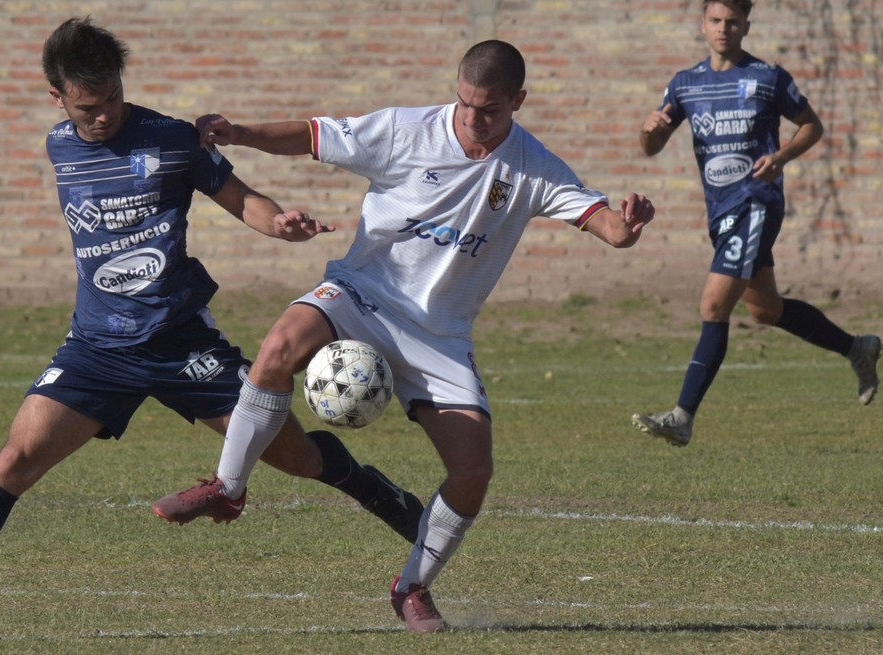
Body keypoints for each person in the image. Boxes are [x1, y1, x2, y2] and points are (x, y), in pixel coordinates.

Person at [0, 16, 424, 637]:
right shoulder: (59, 147)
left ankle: (381, 494)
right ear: (57, 99)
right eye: (88, 106)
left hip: (182, 342)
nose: (104, 114)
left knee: (295, 456)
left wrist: (280, 223)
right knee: (15, 460)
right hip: (96, 348)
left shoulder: (172, 139)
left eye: (113, 98)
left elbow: (240, 197)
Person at [152, 40, 656, 633]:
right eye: (465, 103)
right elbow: (314, 136)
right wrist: (239, 133)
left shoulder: (532, 167)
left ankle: (412, 587)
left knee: (474, 471)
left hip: (439, 336)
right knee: (278, 348)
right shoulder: (406, 130)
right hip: (360, 295)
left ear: (518, 101)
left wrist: (629, 224)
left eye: (490, 109)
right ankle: (228, 487)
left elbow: (608, 228)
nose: (473, 118)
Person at [631, 0, 882, 447]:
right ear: (703, 24)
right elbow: (652, 146)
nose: (723, 28)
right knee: (766, 310)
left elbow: (812, 126)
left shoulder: (769, 77)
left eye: (732, 21)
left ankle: (682, 417)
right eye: (715, 20)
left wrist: (782, 156)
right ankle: (856, 348)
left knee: (713, 306)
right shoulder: (685, 84)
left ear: (746, 25)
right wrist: (649, 130)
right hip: (721, 210)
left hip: (756, 203)